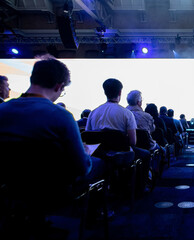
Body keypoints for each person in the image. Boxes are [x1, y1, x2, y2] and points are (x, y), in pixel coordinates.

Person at [0, 55, 103, 200]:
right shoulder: (61, 116)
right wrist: (85, 152)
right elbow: (82, 168)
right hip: (52, 190)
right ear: (58, 86)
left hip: (8, 187)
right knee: (98, 164)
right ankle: (96, 214)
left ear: (33, 79)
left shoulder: (2, 109)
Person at [86, 78, 151, 185]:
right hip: (122, 155)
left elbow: (89, 138)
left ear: (105, 92)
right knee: (146, 154)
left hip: (99, 155)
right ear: (120, 92)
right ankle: (141, 187)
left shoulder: (93, 113)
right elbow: (132, 142)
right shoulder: (126, 114)